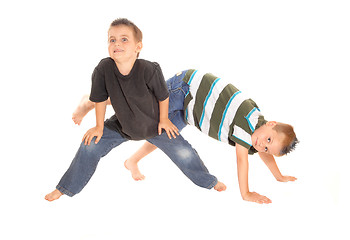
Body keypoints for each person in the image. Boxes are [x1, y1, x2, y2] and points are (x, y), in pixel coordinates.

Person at [45, 18, 225, 202]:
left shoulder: (149, 69)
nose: (117, 44)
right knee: (90, 144)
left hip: (153, 124)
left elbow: (163, 96)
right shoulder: (103, 69)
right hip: (122, 125)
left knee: (185, 153)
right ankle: (65, 188)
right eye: (112, 39)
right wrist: (99, 127)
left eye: (124, 39)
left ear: (138, 47)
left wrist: (163, 119)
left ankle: (209, 181)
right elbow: (99, 99)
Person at [72, 70, 299, 204]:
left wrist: (278, 176)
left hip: (191, 110)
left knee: (163, 133)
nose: (262, 146)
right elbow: (242, 159)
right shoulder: (247, 125)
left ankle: (132, 161)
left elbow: (264, 154)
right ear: (271, 124)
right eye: (267, 140)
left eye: (267, 148)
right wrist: (246, 193)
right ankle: (94, 101)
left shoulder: (259, 131)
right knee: (145, 107)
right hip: (187, 89)